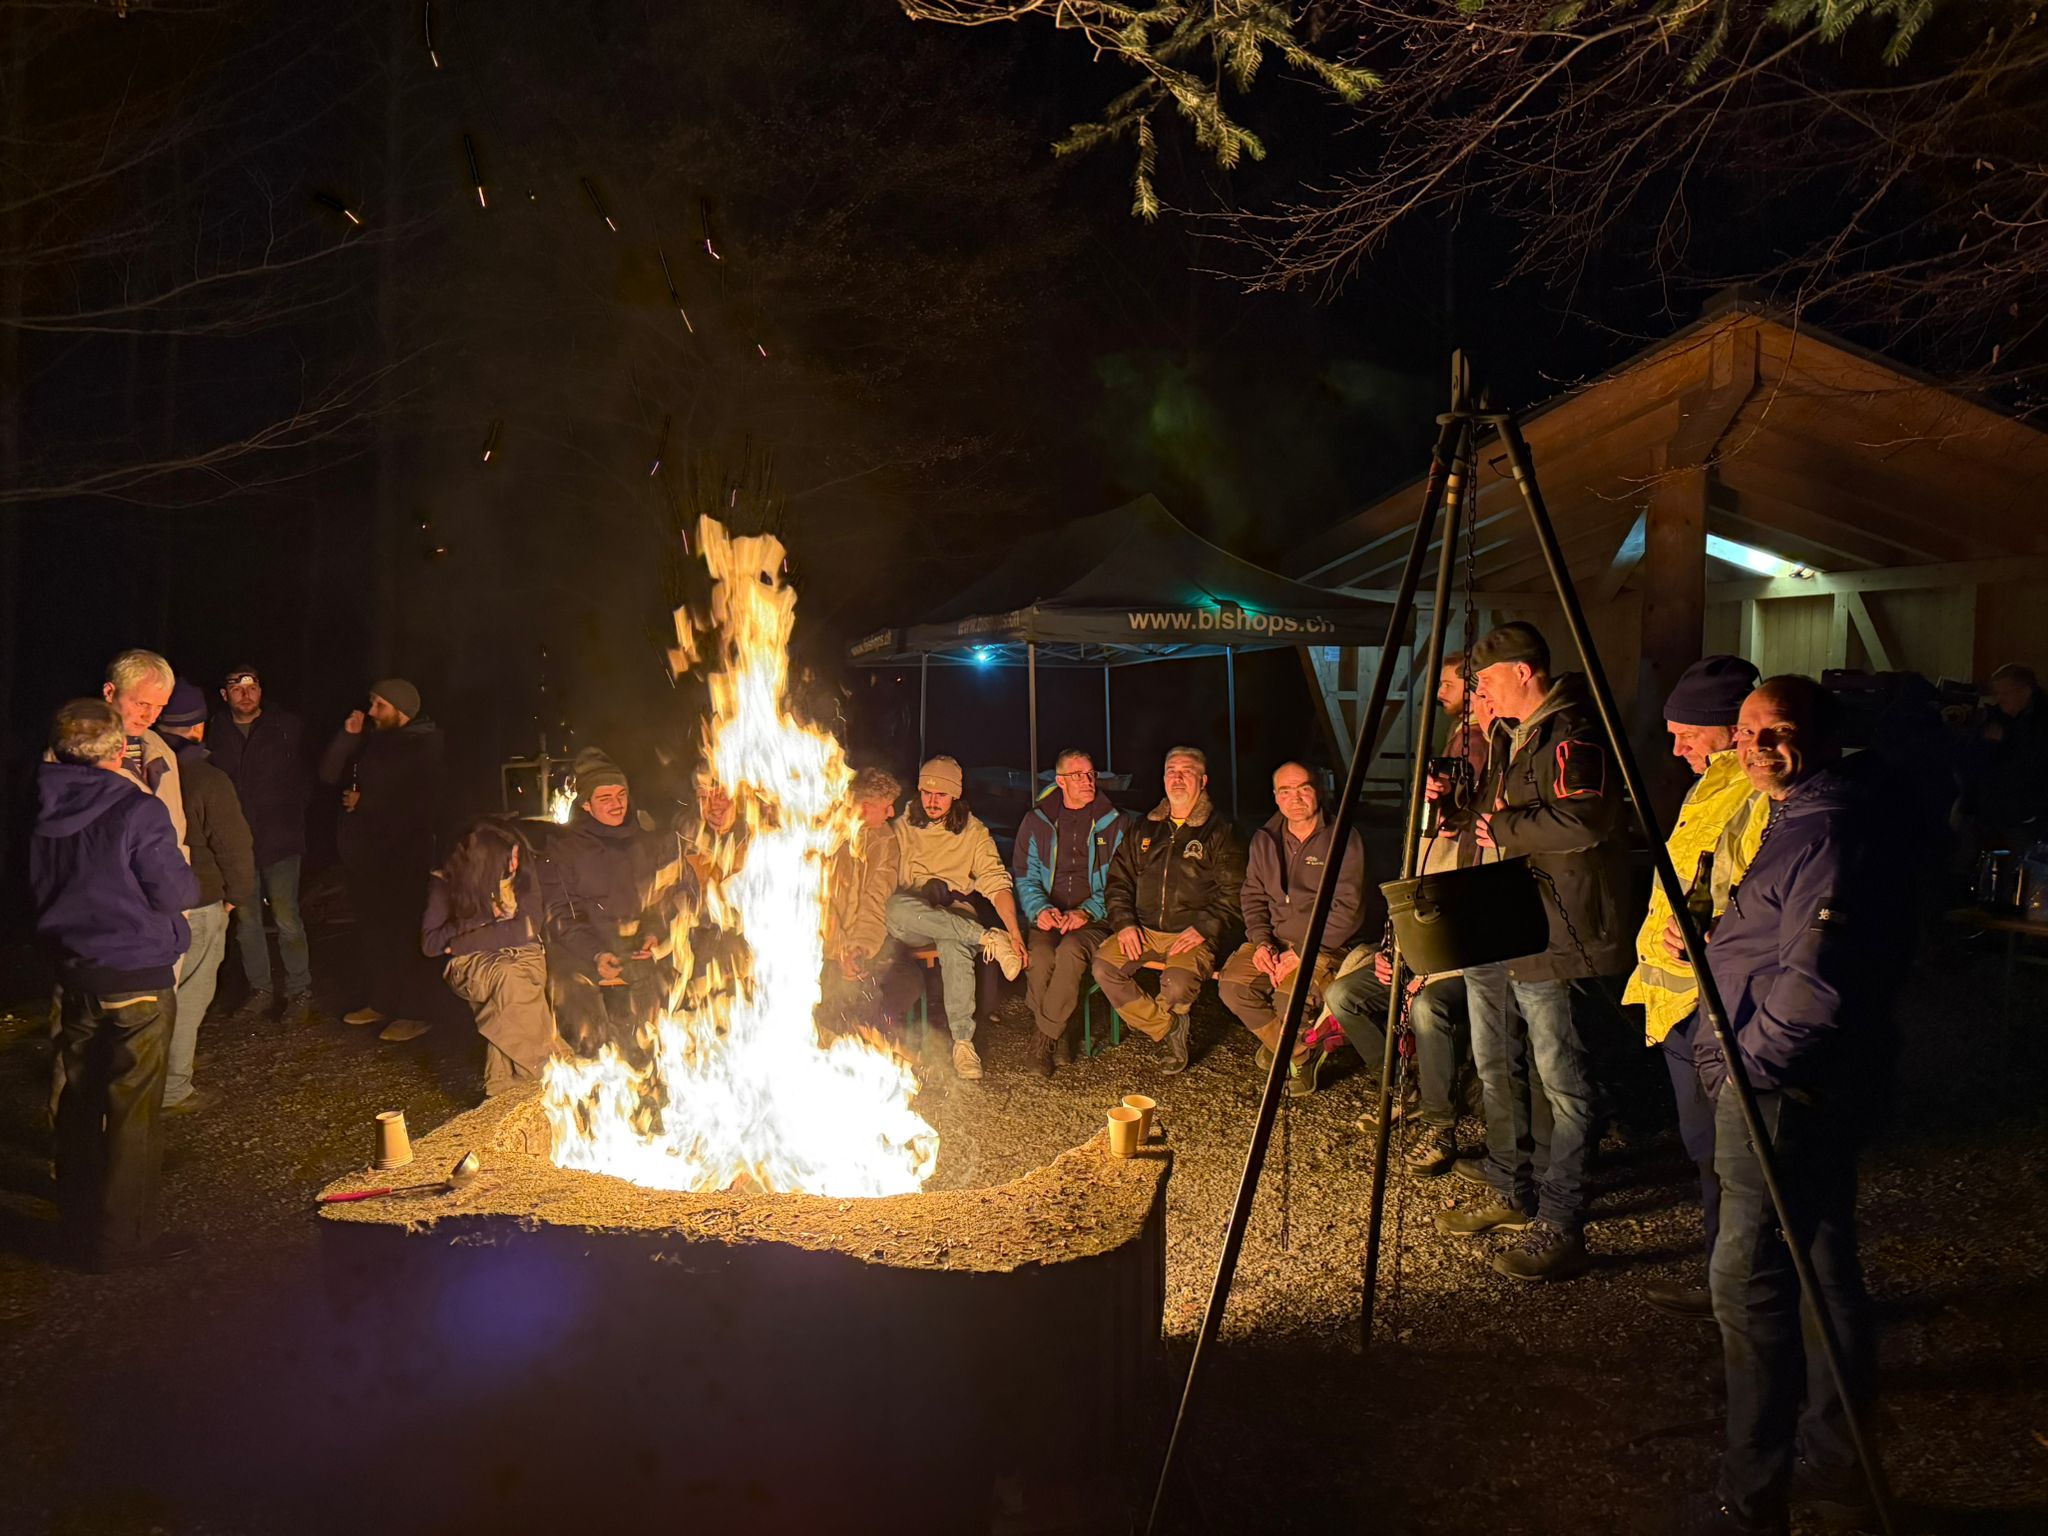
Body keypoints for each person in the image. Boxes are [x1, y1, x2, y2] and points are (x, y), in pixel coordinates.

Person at [1683, 676, 1895, 1536]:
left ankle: (1753, 1489)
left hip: (1779, 1084)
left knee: (1749, 1277)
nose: (1758, 746)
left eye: (1779, 732)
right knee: (1821, 1255)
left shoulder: (1830, 830)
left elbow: (1815, 985)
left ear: (1823, 736)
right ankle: (1837, 1460)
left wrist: (1747, 1066)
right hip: (1787, 1076)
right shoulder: (1798, 817)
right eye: (1747, 731)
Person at [1434, 622, 1632, 1283]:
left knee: (1561, 1078)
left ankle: (1560, 1216)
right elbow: (1493, 814)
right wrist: (1461, 807)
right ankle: (1510, 1182)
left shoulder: (1572, 731)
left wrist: (1508, 827)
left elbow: (1586, 818)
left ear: (1524, 672)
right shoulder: (1514, 738)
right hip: (1506, 917)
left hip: (1556, 927)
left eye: (1486, 680)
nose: (1479, 693)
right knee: (1495, 1059)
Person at [29, 700, 199, 1271]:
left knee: (78, 1099)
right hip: (137, 977)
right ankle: (123, 1240)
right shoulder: (135, 808)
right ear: (117, 748)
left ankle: (77, 1226)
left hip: (75, 971)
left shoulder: (38, 805)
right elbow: (174, 893)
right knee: (133, 1109)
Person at [1621, 655, 1766, 1320]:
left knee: (1734, 1160)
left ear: (1730, 730)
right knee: (1706, 1150)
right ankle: (1724, 1279)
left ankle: (1745, 1292)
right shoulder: (1707, 787)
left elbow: (1760, 898)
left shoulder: (1756, 793)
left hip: (1717, 1000)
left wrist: (1717, 939)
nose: (1676, 747)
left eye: (1688, 734)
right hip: (1679, 995)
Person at [1326, 687, 1505, 1160]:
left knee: (1427, 1007)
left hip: (1462, 968)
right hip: (1417, 957)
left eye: (1467, 762)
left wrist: (1425, 972)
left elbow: (1482, 925)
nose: (1453, 772)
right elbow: (1408, 898)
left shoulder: (1490, 831)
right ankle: (1396, 1083)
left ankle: (1440, 1123)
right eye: (1449, 762)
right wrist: (1390, 953)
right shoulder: (1432, 824)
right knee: (1343, 994)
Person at [1093, 746, 1245, 1075]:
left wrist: (1205, 927)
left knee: (1176, 984)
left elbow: (1235, 892)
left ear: (1203, 781)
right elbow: (1118, 882)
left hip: (1191, 934)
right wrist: (1125, 924)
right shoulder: (1145, 828)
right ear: (1163, 779)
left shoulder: (1220, 832)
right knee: (1104, 967)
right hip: (1144, 929)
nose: (1177, 778)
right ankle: (1167, 1027)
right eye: (1171, 771)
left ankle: (1162, 1022)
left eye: (1186, 771)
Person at [1218, 762, 1366, 1096]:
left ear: (1318, 791)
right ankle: (1299, 1050)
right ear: (1275, 796)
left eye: (1303, 788)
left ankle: (1286, 1049)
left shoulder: (1343, 837)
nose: (1295, 798)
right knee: (1232, 987)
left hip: (1324, 944)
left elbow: (1348, 910)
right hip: (1275, 939)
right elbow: (1252, 895)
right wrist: (1261, 943)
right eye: (1285, 791)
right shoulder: (1265, 839)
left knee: (1290, 998)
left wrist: (1301, 953)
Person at [884, 756, 1026, 1079]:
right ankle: (985, 937)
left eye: (942, 794)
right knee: (894, 909)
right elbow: (884, 873)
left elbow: (995, 879)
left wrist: (1014, 931)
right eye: (927, 793)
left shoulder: (973, 832)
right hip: (916, 913)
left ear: (956, 795)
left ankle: (963, 1043)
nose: (933, 801)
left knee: (953, 942)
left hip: (955, 909)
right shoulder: (904, 826)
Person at [318, 678, 444, 1043]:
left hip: (404, 859)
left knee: (404, 934)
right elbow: (328, 774)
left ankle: (416, 1012)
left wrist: (367, 802)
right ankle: (383, 1001)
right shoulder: (374, 742)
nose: (371, 711)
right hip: (368, 858)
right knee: (374, 934)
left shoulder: (425, 747)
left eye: (379, 706)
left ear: (401, 711)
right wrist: (347, 737)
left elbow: (424, 805)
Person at [545, 747, 691, 1053]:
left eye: (620, 795)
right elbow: (559, 914)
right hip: (583, 951)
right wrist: (596, 954)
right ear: (586, 804)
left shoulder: (644, 842)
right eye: (605, 798)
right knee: (593, 1037)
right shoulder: (564, 849)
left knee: (658, 1030)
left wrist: (653, 933)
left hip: (635, 948)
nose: (617, 805)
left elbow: (659, 899)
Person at [155, 682, 257, 1115]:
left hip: (154, 900)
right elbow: (233, 843)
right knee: (191, 990)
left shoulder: (144, 769)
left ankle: (165, 1068)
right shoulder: (206, 779)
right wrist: (238, 894)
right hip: (199, 900)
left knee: (158, 994)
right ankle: (173, 1087)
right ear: (198, 727)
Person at [1010, 749, 1128, 1077]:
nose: (1089, 781)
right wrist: (1040, 909)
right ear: (1061, 781)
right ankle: (1056, 1028)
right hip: (1050, 914)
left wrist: (1088, 911)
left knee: (1071, 952)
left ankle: (1043, 1040)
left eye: (1091, 774)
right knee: (1041, 956)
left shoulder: (1113, 822)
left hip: (1095, 918)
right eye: (1079, 776)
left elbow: (1121, 880)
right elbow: (1025, 874)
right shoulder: (1037, 821)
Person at [207, 665, 314, 1024]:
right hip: (235, 844)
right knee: (247, 921)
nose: (246, 693)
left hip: (281, 841)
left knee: (287, 919)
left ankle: (299, 991)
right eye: (237, 688)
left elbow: (307, 776)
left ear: (261, 692)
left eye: (252, 687)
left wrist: (292, 814)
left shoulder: (286, 727)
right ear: (225, 695)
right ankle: (261, 990)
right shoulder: (213, 731)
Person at [423, 821, 559, 1097]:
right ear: (484, 865)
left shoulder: (524, 875)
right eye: (510, 857)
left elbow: (527, 929)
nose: (517, 862)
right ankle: (548, 1074)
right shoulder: (447, 882)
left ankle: (504, 1088)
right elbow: (431, 944)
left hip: (520, 954)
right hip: (470, 965)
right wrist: (483, 916)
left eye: (518, 854)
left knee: (510, 982)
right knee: (509, 979)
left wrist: (464, 941)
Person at [822, 767, 916, 1031]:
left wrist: (860, 948)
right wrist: (840, 950)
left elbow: (877, 899)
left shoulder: (885, 840)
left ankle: (870, 1042)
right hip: (821, 944)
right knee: (827, 991)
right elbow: (818, 904)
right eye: (886, 807)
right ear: (864, 807)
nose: (891, 813)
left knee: (907, 981)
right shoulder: (823, 836)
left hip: (861, 944)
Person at [99, 648, 188, 857]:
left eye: (160, 706)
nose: (151, 716)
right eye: (142, 704)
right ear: (110, 693)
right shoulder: (76, 750)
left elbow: (177, 830)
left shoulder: (160, 748)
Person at [1962, 661, 2048, 854]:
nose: (1999, 699)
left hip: (2024, 817)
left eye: (2005, 692)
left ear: (2025, 691)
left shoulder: (2039, 727)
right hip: (1999, 813)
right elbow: (1971, 759)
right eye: (1997, 693)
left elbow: (2030, 769)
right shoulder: (1999, 720)